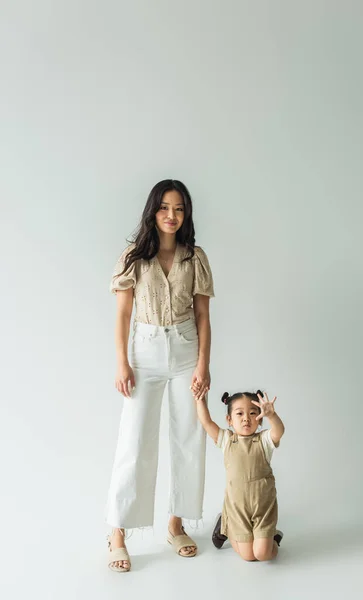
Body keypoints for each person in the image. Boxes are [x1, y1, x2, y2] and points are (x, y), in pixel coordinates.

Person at [105, 179, 214, 572]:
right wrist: (122, 362)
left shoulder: (194, 257)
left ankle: (177, 523)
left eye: (179, 208)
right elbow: (121, 315)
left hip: (186, 348)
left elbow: (203, 316)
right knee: (134, 440)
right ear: (153, 211)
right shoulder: (134, 257)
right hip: (144, 351)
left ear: (186, 214)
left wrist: (203, 363)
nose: (172, 215)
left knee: (189, 436)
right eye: (165, 208)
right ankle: (117, 532)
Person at [195, 389, 285, 562]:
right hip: (237, 508)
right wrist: (199, 399)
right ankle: (226, 524)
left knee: (262, 554)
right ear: (229, 420)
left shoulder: (264, 440)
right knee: (249, 556)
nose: (246, 418)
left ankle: (272, 538)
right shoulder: (227, 440)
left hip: (263, 507)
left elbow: (279, 431)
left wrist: (272, 415)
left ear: (259, 419)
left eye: (253, 413)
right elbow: (206, 422)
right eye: (240, 413)